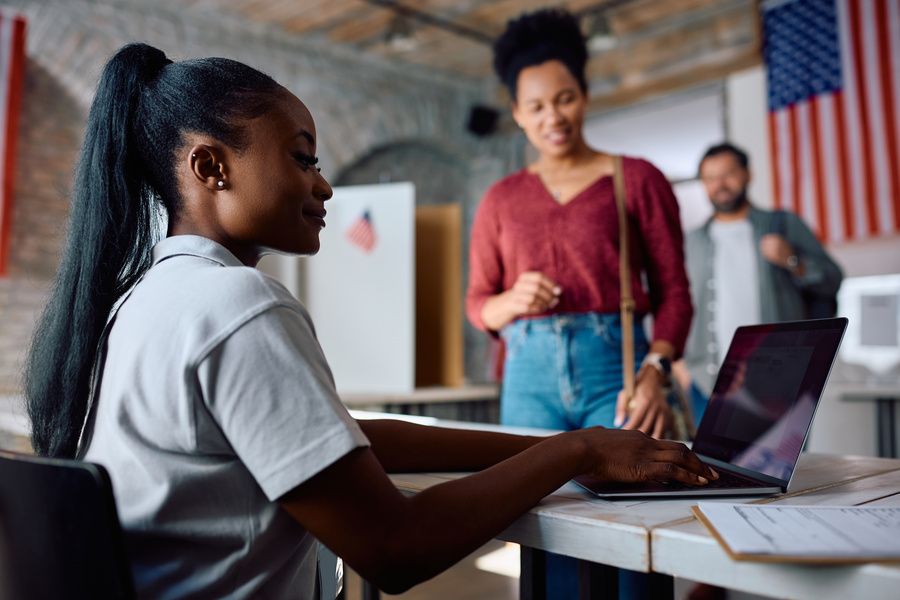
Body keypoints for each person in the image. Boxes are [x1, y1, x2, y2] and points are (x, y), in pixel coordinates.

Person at [22, 43, 716, 599]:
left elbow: (345, 440)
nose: (325, 184)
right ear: (210, 165)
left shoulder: (140, 300)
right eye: (301, 157)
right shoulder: (237, 306)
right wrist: (578, 452)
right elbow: (396, 548)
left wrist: (564, 441)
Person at [464, 8, 694, 598]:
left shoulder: (635, 179)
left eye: (564, 99)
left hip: (613, 368)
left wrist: (655, 372)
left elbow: (674, 294)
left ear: (585, 96)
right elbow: (477, 305)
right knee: (544, 530)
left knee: (634, 524)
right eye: (536, 107)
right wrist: (510, 301)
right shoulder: (499, 199)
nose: (552, 117)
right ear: (516, 113)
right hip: (528, 374)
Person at [677, 142, 844, 413]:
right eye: (710, 178)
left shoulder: (783, 224)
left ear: (747, 174)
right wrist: (680, 366)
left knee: (783, 456)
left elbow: (832, 280)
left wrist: (793, 260)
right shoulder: (691, 242)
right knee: (705, 458)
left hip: (780, 381)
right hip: (708, 382)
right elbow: (676, 304)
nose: (720, 184)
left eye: (728, 173)